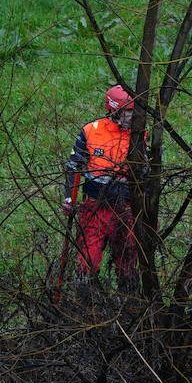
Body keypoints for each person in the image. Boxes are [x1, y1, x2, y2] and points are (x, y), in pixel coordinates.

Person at [62, 84, 139, 293]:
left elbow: (148, 174)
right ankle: (85, 306)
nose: (131, 116)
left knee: (128, 261)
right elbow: (73, 166)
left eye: (134, 111)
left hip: (126, 208)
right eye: (128, 111)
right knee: (87, 259)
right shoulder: (91, 131)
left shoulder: (142, 135)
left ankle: (131, 305)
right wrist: (69, 198)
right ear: (114, 110)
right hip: (94, 208)